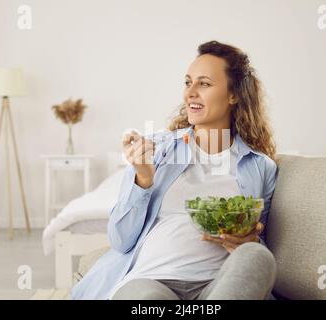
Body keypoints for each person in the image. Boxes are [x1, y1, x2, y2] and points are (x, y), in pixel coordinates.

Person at [71, 40, 278, 300]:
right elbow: (121, 240)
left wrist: (249, 242)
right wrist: (143, 179)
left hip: (219, 287)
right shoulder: (155, 149)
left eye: (204, 84)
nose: (190, 92)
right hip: (151, 281)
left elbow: (261, 237)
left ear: (233, 94)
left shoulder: (260, 167)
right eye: (187, 82)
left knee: (258, 256)